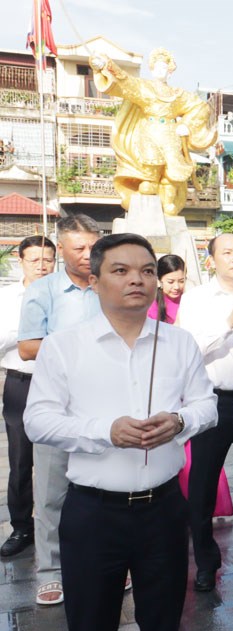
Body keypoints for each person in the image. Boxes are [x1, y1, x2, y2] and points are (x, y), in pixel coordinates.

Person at [24, 233, 218, 631]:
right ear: (94, 281)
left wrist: (180, 422)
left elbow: (206, 406)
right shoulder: (64, 346)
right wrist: (105, 432)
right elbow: (38, 420)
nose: (137, 280)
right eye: (121, 270)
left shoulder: (179, 342)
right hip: (94, 515)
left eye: (147, 271)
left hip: (164, 510)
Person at [18, 214, 102, 606]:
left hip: (104, 402)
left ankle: (106, 562)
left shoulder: (109, 285)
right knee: (52, 491)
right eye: (79, 248)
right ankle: (51, 571)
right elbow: (27, 347)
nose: (87, 254)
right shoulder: (44, 291)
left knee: (104, 487)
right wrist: (78, 347)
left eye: (93, 246)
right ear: (61, 247)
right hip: (57, 403)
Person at [176, 233, 233, 592]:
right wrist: (228, 323)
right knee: (202, 483)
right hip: (212, 399)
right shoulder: (196, 299)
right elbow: (187, 349)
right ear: (211, 260)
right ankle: (206, 561)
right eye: (227, 252)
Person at [149, 254, 233, 518]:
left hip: (195, 382)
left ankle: (200, 510)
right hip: (169, 383)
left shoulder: (195, 302)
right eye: (170, 281)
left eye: (181, 280)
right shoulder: (153, 308)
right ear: (159, 281)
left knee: (200, 458)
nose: (177, 286)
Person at [90, 48, 216, 216]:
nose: (160, 71)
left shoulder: (178, 94)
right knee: (150, 168)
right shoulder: (144, 87)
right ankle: (149, 189)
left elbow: (199, 106)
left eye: (164, 67)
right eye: (157, 67)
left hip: (171, 133)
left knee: (173, 170)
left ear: (170, 72)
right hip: (149, 132)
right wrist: (106, 65)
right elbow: (125, 81)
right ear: (152, 69)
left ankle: (168, 202)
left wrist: (186, 124)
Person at [0, 235, 56, 559]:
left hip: (59, 384)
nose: (41, 266)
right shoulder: (8, 297)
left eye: (47, 259)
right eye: (34, 260)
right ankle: (22, 526)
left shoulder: (64, 294)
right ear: (20, 261)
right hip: (21, 383)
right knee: (21, 460)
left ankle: (59, 526)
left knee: (61, 458)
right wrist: (27, 330)